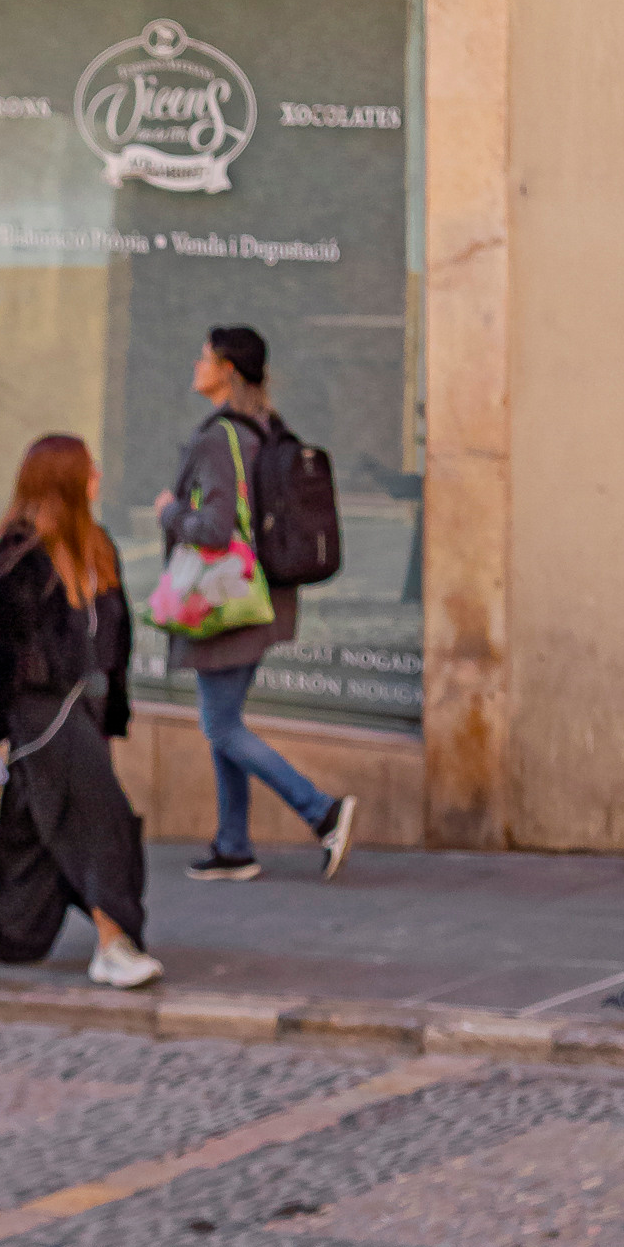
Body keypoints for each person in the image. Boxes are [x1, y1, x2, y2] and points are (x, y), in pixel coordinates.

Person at [0, 433, 161, 991]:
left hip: (86, 709)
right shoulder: (15, 558)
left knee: (32, 823)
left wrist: (112, 711)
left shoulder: (98, 545)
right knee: (102, 818)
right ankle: (114, 943)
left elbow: (116, 636)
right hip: (38, 712)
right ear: (64, 479)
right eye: (89, 468)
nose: (99, 475)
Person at [157, 326, 358, 885]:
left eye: (204, 357)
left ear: (226, 370)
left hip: (227, 600)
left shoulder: (220, 438)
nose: (196, 365)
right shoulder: (266, 428)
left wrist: (170, 512)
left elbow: (215, 529)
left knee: (221, 726)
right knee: (223, 720)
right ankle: (233, 845)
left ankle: (321, 812)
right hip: (261, 595)